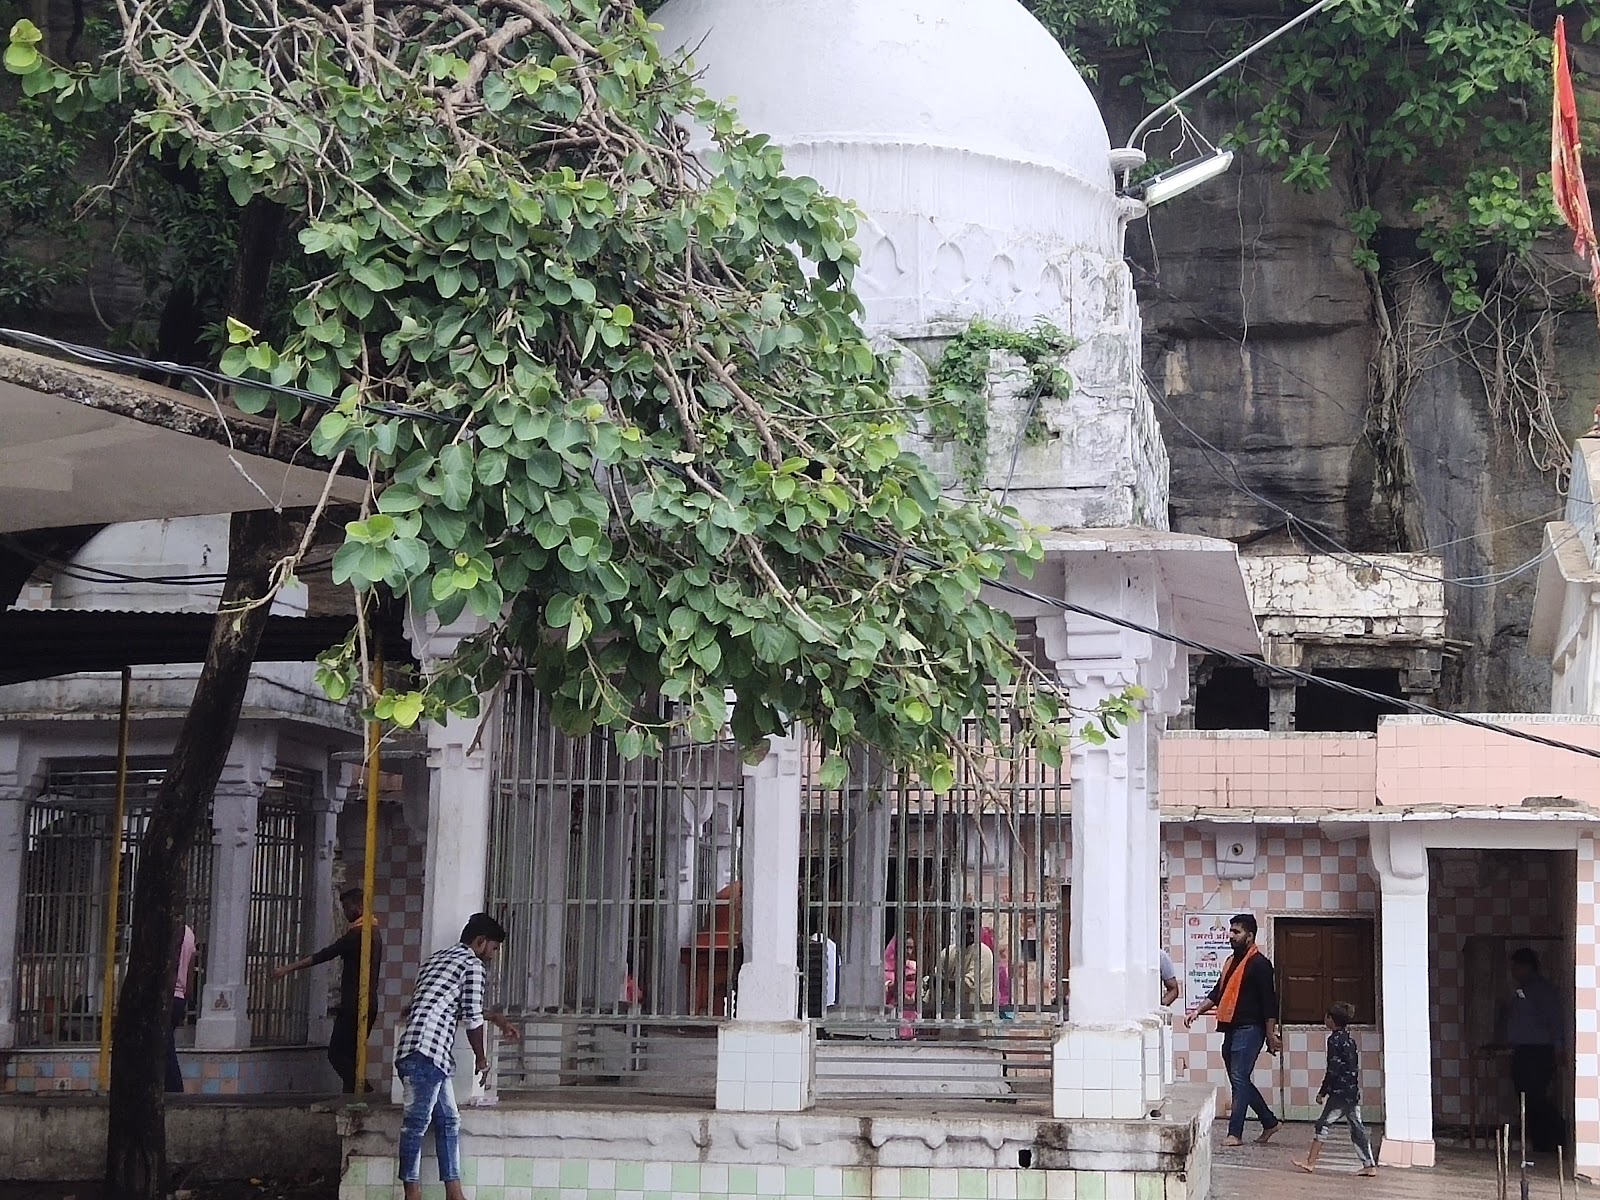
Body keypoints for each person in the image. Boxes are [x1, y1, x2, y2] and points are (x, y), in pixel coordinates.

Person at [395, 913, 518, 1200]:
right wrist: (482, 1058)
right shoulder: (473, 965)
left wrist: (496, 1017)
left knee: (448, 1121)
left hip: (419, 1052)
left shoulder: (436, 959)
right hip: (428, 1053)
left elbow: (447, 1004)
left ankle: (454, 1192)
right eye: (494, 948)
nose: (494, 955)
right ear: (480, 941)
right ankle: (411, 1193)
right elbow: (472, 1017)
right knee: (416, 1124)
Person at [273, 886, 384, 1093]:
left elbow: (324, 955)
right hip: (368, 1002)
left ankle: (365, 1091)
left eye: (347, 907)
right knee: (351, 1055)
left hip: (354, 1003)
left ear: (360, 906)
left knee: (337, 1054)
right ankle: (353, 1095)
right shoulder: (374, 932)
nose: (345, 912)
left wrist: (287, 969)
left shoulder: (358, 935)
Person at [1185, 913, 1282, 1147]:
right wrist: (1197, 1011)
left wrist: (1271, 1034)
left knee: (1239, 1078)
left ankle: (1235, 1133)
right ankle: (1269, 1122)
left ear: (1249, 936)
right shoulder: (1230, 961)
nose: (1230, 935)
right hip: (1231, 1027)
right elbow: (1218, 992)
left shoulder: (1260, 964)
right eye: (1230, 931)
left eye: (1236, 932)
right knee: (1240, 1079)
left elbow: (1270, 1002)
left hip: (1251, 1029)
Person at [1490, 947, 1566, 1154]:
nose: (1513, 971)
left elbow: (1554, 1019)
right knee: (1527, 1100)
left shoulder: (1541, 989)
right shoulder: (1520, 991)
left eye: (1516, 967)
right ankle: (1541, 1145)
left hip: (1538, 1052)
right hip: (1523, 1052)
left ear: (1527, 967)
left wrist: (1559, 1047)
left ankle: (1560, 1134)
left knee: (1534, 1098)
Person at [1293, 1002, 1377, 1177]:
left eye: (1327, 1016)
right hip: (1351, 1091)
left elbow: (1333, 1069)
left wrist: (1323, 1091)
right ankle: (1368, 1164)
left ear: (1331, 1020)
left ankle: (1310, 1162)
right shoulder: (1350, 1040)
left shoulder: (1334, 1040)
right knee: (1356, 1127)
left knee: (1323, 1123)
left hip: (1339, 1093)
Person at [932, 909, 994, 1020]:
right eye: (967, 926)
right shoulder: (948, 952)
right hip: (951, 1017)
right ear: (957, 927)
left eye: (974, 927)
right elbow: (935, 981)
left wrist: (943, 982)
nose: (971, 930)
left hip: (976, 1019)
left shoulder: (983, 952)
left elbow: (969, 983)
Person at [166, 918, 197, 1093]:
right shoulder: (189, 934)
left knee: (164, 1048)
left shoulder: (164, 931)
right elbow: (190, 974)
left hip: (166, 997)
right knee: (166, 1044)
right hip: (179, 998)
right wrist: (187, 1000)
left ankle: (174, 1089)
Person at [884, 935, 919, 1039]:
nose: (909, 951)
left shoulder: (913, 966)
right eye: (906, 947)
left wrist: (913, 996)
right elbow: (887, 987)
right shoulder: (887, 966)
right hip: (894, 1012)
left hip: (911, 1012)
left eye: (911, 948)